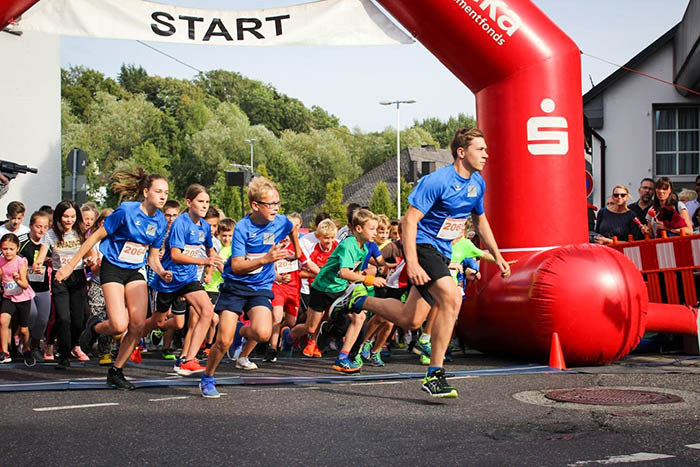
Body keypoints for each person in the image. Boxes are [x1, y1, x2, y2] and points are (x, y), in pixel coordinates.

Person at [340, 128, 511, 398]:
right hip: (423, 246)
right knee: (452, 298)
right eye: (481, 149)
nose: (486, 155)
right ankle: (435, 374)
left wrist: (497, 254)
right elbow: (409, 221)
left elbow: (480, 221)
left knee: (411, 319)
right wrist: (414, 262)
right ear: (461, 152)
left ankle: (358, 300)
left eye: (486, 149)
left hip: (442, 250)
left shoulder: (478, 183)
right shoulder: (437, 181)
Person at [59, 169, 170, 389]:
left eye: (166, 192)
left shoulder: (160, 221)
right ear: (146, 192)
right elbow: (94, 239)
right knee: (119, 324)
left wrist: (161, 272)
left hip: (136, 270)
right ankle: (95, 328)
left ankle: (116, 371)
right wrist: (71, 266)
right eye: (158, 191)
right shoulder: (127, 211)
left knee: (137, 326)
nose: (163, 196)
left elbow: (153, 257)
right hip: (113, 267)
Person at [200, 176, 299, 397]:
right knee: (223, 341)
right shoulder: (243, 228)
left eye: (278, 203)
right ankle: (208, 377)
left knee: (264, 333)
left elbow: (292, 226)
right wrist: (266, 259)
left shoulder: (280, 221)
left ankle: (240, 331)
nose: (275, 208)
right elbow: (236, 266)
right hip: (236, 286)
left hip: (260, 286)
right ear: (255, 205)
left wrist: (297, 252)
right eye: (270, 204)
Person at [283, 209, 386, 373]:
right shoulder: (348, 245)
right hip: (322, 288)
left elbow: (351, 274)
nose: (376, 232)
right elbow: (344, 272)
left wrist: (364, 275)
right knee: (310, 328)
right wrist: (370, 279)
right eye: (372, 228)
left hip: (341, 290)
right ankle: (288, 337)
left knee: (359, 316)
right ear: (359, 229)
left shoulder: (365, 249)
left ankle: (343, 357)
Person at [147, 184, 223, 377]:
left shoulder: (205, 226)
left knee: (207, 312)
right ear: (189, 203)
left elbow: (210, 251)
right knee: (157, 321)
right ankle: (134, 337)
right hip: (169, 279)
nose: (205, 205)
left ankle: (188, 359)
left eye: (207, 202)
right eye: (200, 201)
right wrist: (204, 261)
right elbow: (175, 255)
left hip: (188, 280)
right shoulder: (180, 223)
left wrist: (213, 266)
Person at [34, 200, 92, 370]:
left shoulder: (81, 232)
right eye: (66, 216)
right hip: (60, 279)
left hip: (78, 277)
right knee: (63, 318)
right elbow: (41, 256)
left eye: (72, 216)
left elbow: (91, 253)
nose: (69, 220)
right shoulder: (50, 234)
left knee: (80, 318)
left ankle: (74, 343)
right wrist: (38, 265)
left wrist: (90, 259)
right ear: (59, 216)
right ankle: (64, 355)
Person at [18, 211, 52, 364]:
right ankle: (23, 343)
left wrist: (50, 261)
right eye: (38, 226)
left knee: (43, 319)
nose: (42, 230)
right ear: (31, 226)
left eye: (45, 227)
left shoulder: (50, 242)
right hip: (26, 288)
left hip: (43, 287)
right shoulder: (23, 241)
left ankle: (35, 345)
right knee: (31, 315)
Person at [0, 233, 36, 364]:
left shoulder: (21, 262)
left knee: (23, 329)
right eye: (4, 249)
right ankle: (4, 352)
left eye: (11, 249)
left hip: (22, 298)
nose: (8, 252)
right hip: (8, 297)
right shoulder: (1, 261)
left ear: (17, 248)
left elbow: (25, 285)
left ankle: (27, 348)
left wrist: (17, 280)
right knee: (3, 320)